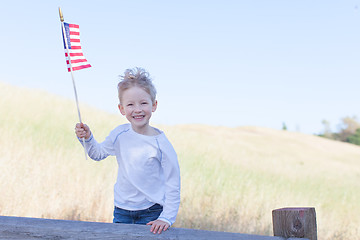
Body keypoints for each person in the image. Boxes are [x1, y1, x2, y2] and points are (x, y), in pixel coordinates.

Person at [75, 67, 181, 234]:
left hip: (151, 212)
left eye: (144, 103)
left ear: (154, 105)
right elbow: (97, 153)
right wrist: (87, 138)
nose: (137, 109)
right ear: (122, 109)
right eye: (130, 104)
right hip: (122, 210)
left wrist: (166, 217)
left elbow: (173, 184)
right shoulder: (120, 134)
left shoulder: (161, 144)